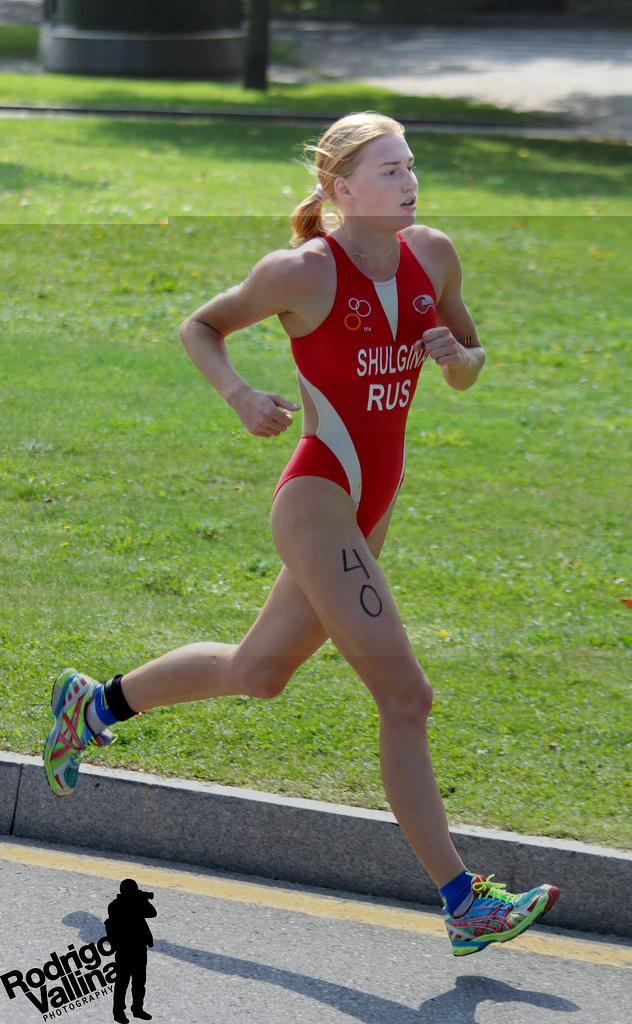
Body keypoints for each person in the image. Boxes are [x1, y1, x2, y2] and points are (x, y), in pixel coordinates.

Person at [43, 111, 560, 958]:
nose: (409, 181)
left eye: (411, 165)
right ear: (340, 188)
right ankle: (464, 901)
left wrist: (456, 358)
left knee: (260, 671)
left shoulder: (434, 255)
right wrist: (241, 396)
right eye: (389, 170)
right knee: (407, 697)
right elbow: (201, 325)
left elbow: (469, 365)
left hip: (372, 505)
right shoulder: (301, 273)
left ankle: (92, 705)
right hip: (318, 499)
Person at [106, 879, 155, 1022]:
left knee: (139, 983)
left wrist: (141, 899)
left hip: (139, 949)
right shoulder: (116, 905)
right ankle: (118, 1012)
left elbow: (152, 913)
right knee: (122, 983)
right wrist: (141, 899)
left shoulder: (133, 903)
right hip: (125, 950)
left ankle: (137, 1009)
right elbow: (138, 912)